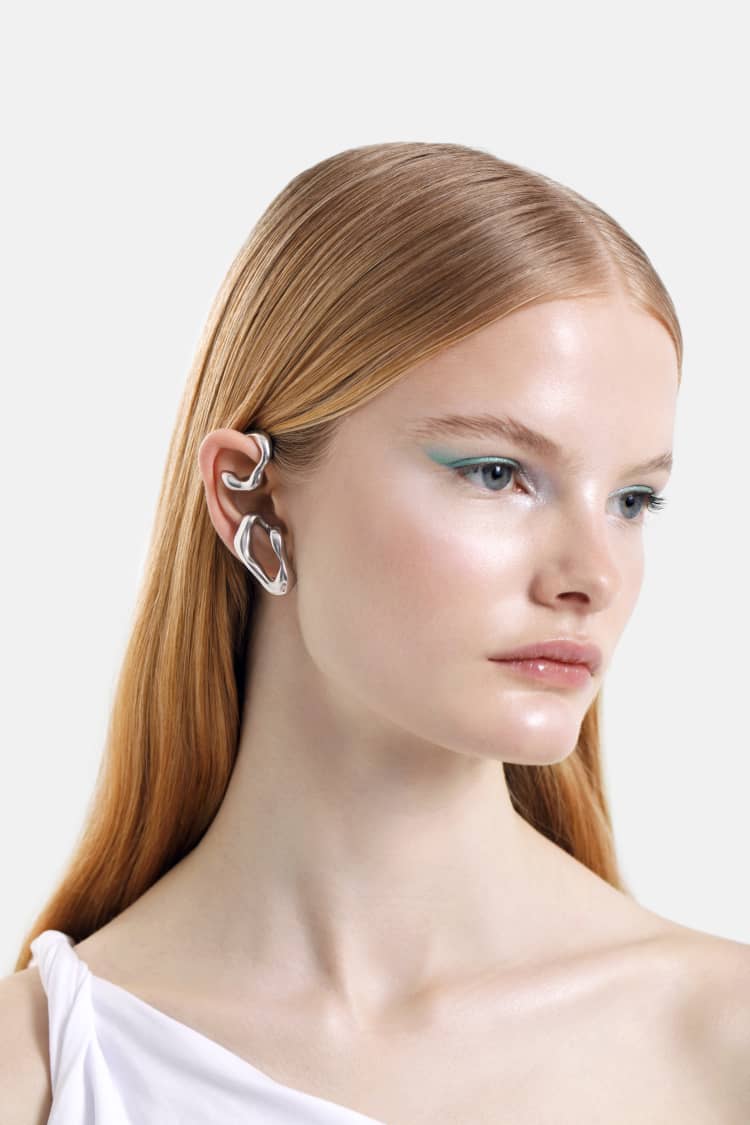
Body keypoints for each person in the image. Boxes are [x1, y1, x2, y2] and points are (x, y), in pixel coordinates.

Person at [2, 142, 748, 1123]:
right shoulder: (38, 1074)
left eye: (633, 499)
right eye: (496, 474)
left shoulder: (722, 1041)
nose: (593, 576)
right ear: (249, 496)